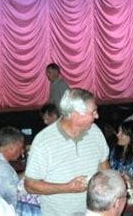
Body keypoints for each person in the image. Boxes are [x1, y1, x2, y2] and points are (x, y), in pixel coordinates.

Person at [25, 88, 110, 216]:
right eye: (93, 112)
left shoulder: (95, 132)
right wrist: (67, 187)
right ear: (75, 114)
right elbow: (30, 185)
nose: (97, 116)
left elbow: (104, 166)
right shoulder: (44, 141)